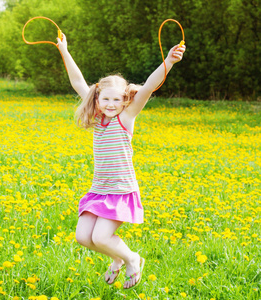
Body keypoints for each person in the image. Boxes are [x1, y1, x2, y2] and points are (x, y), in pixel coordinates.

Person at [57, 33, 185, 289]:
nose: (112, 104)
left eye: (117, 99)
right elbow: (77, 80)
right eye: (106, 99)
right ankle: (117, 259)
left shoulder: (125, 118)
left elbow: (148, 86)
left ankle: (132, 258)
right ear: (96, 99)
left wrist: (168, 62)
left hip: (120, 190)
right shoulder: (97, 119)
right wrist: (64, 50)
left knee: (101, 236)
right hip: (99, 188)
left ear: (125, 100)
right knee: (84, 237)